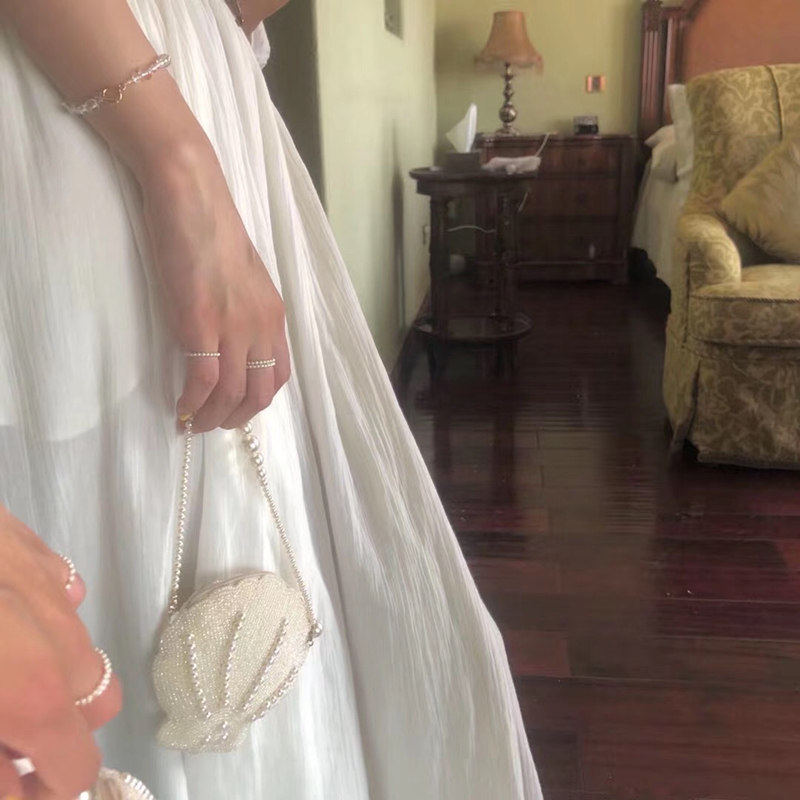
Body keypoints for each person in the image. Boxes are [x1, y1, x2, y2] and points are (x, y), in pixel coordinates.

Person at [0, 1, 543, 798]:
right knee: (113, 536)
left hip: (188, 92)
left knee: (222, 522)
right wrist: (178, 162)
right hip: (94, 100)